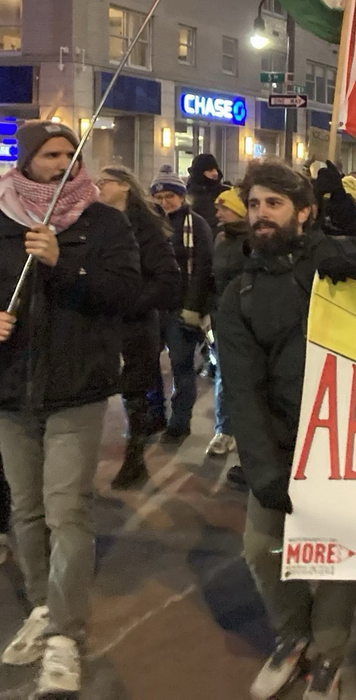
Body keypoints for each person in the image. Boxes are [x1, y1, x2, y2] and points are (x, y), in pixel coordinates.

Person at [218, 159, 356, 700]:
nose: (261, 215)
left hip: (344, 441)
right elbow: (242, 387)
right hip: (283, 443)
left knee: (334, 555)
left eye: (274, 204)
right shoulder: (238, 289)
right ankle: (292, 636)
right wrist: (264, 469)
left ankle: (328, 655)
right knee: (261, 548)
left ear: (304, 212)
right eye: (255, 204)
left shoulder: (343, 254)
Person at [0, 121, 141, 698]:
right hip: (10, 390)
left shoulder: (103, 221)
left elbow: (127, 294)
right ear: (27, 159)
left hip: (76, 388)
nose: (61, 163)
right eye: (50, 154)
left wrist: (68, 263)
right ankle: (40, 604)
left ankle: (64, 630)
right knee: (26, 509)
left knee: (67, 510)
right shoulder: (4, 215)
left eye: (69, 154)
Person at [95, 166, 182, 490]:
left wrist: (130, 303)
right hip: (103, 322)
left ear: (125, 186)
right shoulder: (96, 221)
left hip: (135, 324)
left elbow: (167, 279)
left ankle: (134, 458)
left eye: (104, 182)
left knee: (135, 394)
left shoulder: (145, 226)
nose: (98, 187)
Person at [149, 164, 214, 443]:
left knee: (181, 366)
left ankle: (179, 421)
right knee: (148, 365)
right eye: (159, 197)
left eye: (170, 196)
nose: (165, 202)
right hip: (152, 307)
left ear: (181, 195)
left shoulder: (196, 224)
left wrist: (194, 307)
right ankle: (153, 415)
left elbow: (202, 268)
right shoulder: (148, 223)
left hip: (181, 308)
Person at [208, 188, 251, 458]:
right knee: (224, 376)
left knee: (248, 379)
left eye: (224, 207)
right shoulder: (221, 239)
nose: (218, 212)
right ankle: (224, 430)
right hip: (222, 319)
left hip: (248, 319)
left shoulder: (256, 241)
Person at [186, 152, 230, 230]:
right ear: (199, 173)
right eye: (210, 170)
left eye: (215, 169)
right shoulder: (189, 195)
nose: (215, 173)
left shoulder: (226, 192)